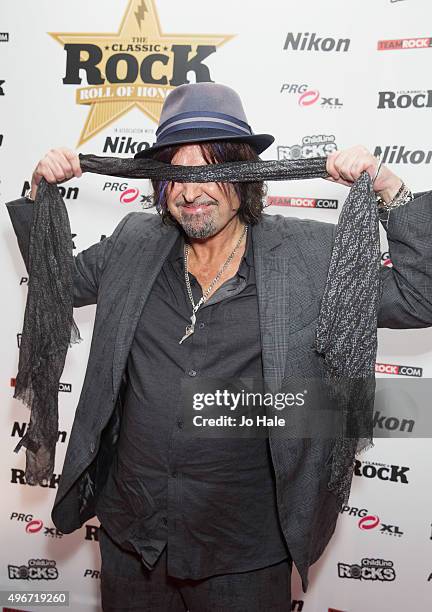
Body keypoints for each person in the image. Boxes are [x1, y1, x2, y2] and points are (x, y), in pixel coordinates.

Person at [6, 82, 432, 611]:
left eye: (210, 169)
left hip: (246, 550)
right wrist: (37, 195)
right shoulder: (133, 241)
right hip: (133, 537)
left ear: (245, 174)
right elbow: (57, 285)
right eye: (178, 176)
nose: (192, 191)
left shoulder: (309, 254)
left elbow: (420, 296)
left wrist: (390, 187)